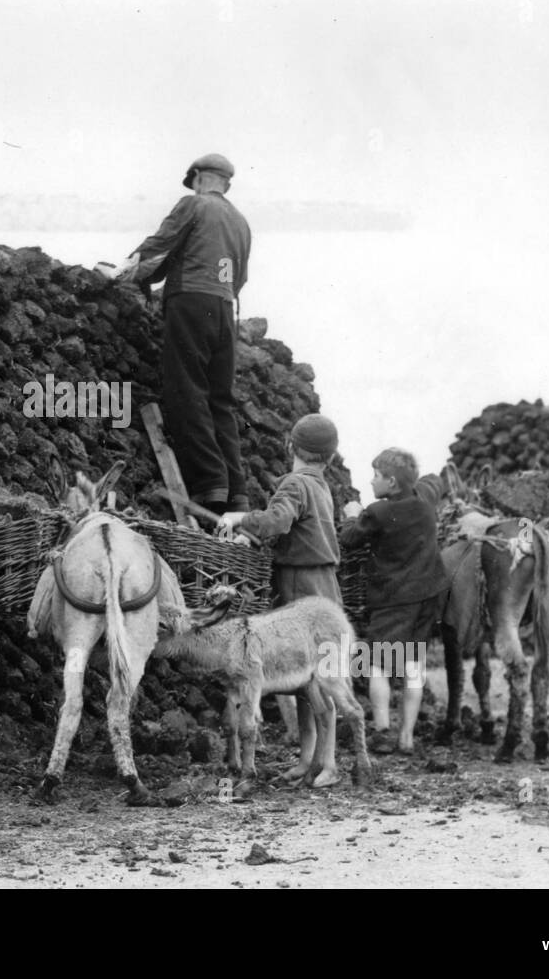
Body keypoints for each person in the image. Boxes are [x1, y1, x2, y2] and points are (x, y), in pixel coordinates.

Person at [112, 154, 252, 516]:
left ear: (200, 178)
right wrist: (150, 275)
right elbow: (238, 277)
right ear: (227, 183)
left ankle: (209, 485)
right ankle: (236, 493)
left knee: (186, 388)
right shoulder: (240, 222)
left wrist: (126, 266)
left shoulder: (193, 204)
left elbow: (163, 241)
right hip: (224, 309)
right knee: (220, 400)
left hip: (190, 302)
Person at [215, 413, 344, 779]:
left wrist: (238, 520)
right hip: (324, 585)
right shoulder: (320, 487)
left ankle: (329, 764)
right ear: (330, 458)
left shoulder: (294, 484)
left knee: (315, 679)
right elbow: (295, 532)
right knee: (306, 677)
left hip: (301, 589)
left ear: (290, 446)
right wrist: (254, 536)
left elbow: (278, 521)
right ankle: (309, 760)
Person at [339, 447, 449, 755]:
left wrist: (351, 514)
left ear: (391, 482)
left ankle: (383, 731)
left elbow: (349, 540)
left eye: (376, 476)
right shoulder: (425, 507)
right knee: (414, 665)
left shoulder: (378, 512)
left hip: (393, 599)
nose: (371, 481)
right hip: (427, 597)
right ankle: (407, 738)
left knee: (377, 665)